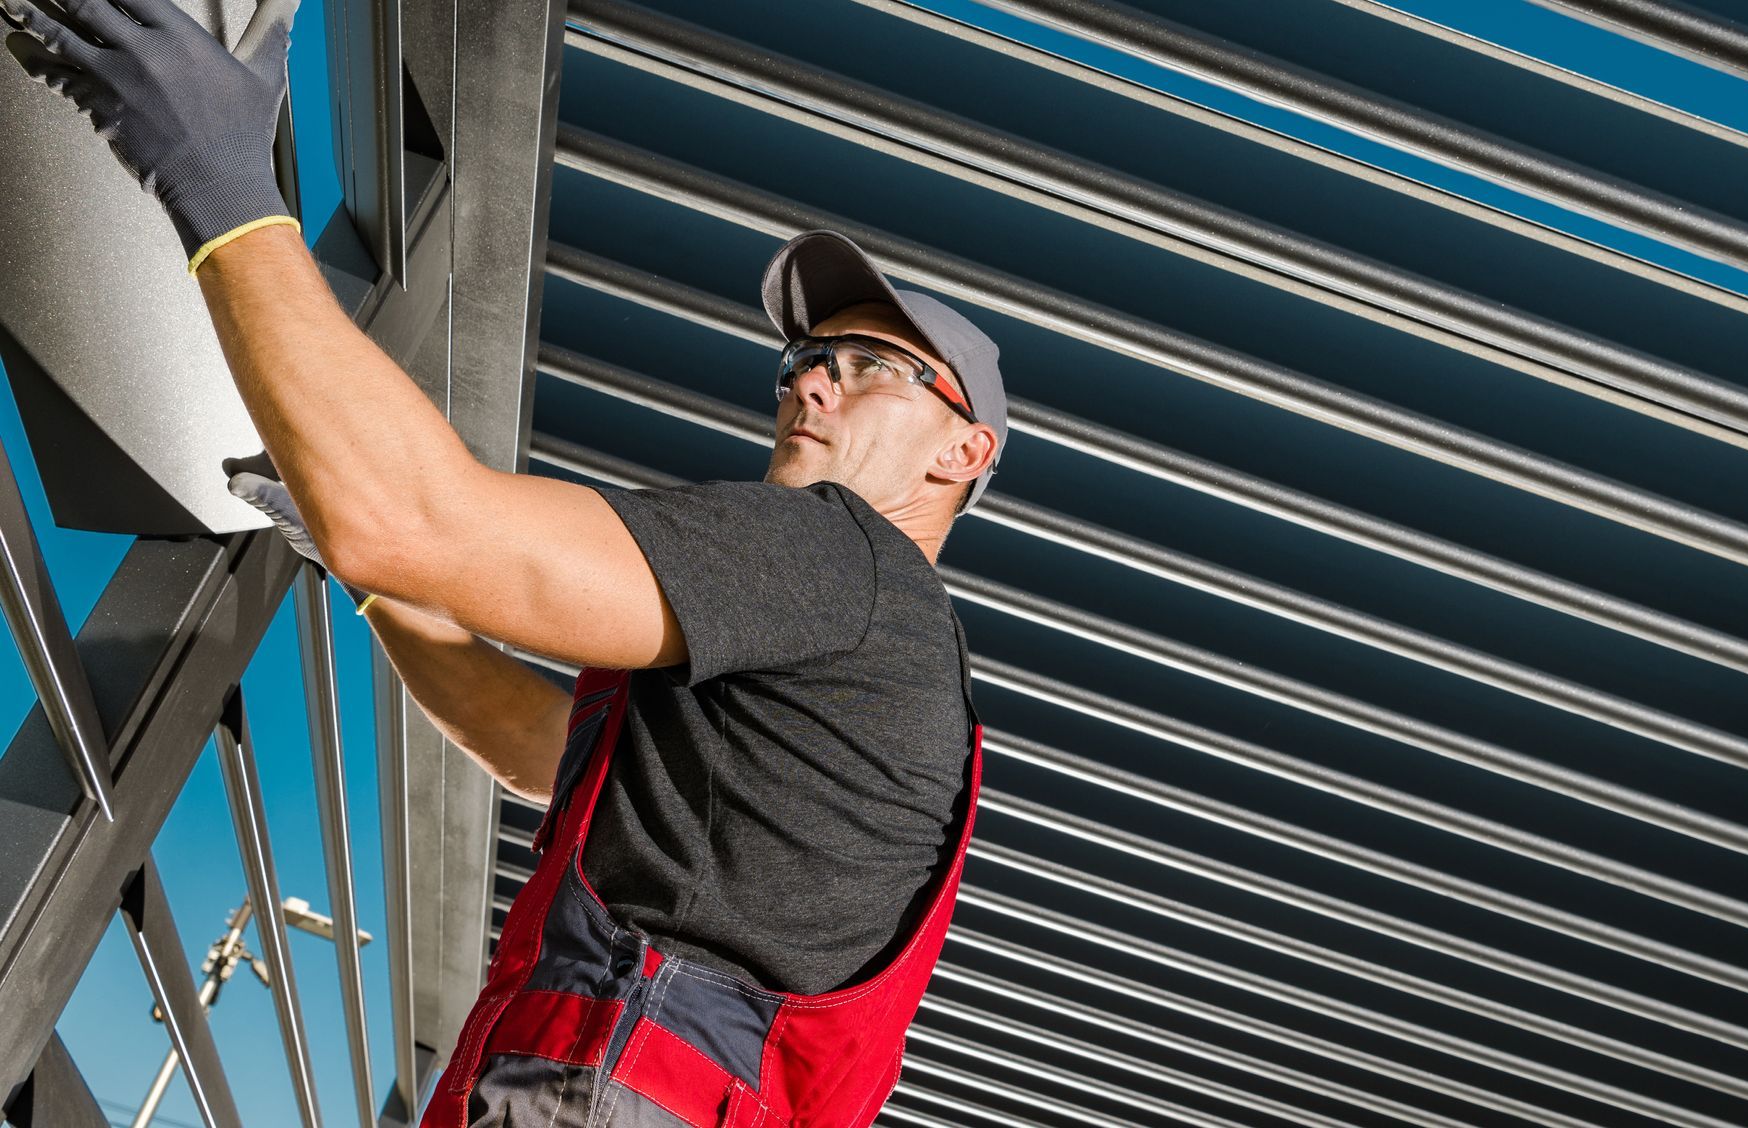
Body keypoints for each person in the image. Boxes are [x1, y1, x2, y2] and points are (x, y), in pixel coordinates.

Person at [2, 1, 1007, 1124]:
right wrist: (376, 577)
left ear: (964, 451)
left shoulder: (844, 560)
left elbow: (423, 520)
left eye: (868, 365)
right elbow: (544, 749)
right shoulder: (864, 686)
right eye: (805, 359)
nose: (809, 381)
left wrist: (217, 176)